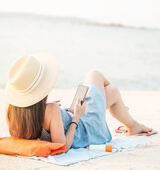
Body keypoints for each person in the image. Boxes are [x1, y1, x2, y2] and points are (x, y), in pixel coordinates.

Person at [5, 53, 152, 153]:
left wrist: (53, 112)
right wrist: (76, 117)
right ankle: (129, 120)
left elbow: (38, 126)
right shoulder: (51, 110)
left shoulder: (12, 111)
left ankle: (127, 119)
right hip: (86, 127)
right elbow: (63, 147)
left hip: (72, 119)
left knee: (111, 92)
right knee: (96, 76)